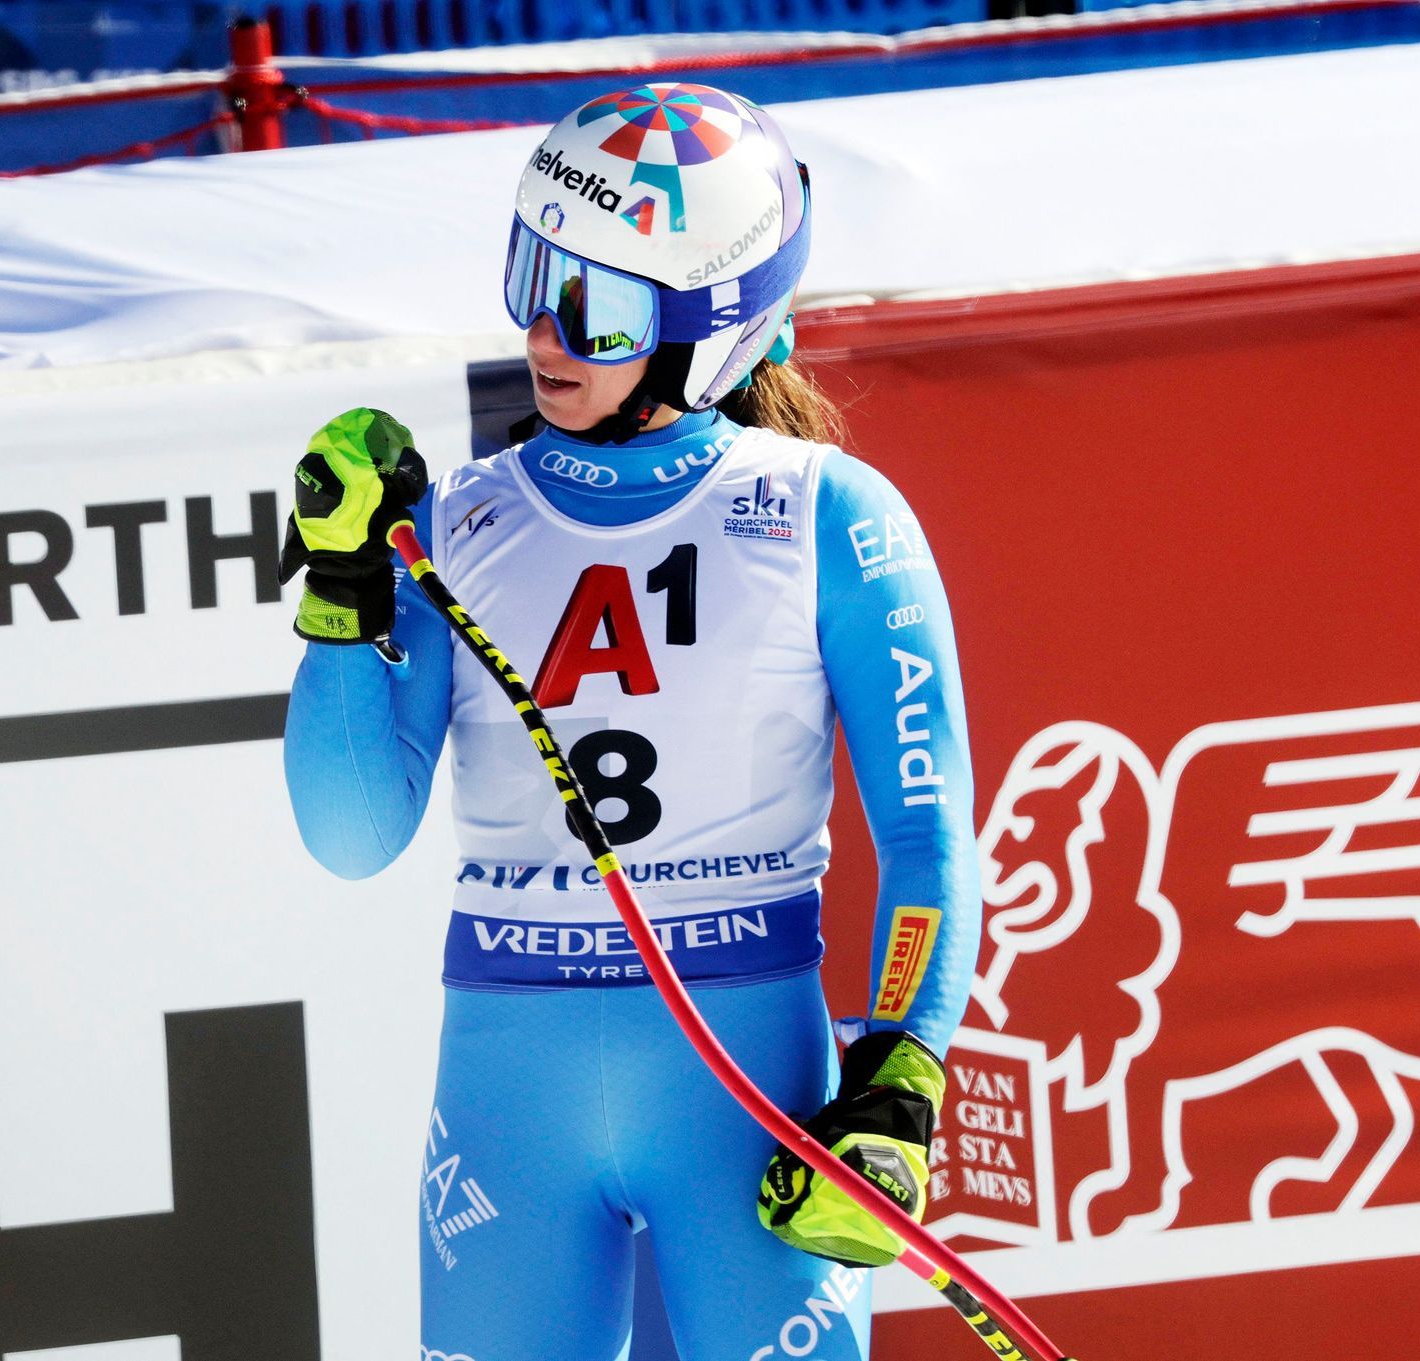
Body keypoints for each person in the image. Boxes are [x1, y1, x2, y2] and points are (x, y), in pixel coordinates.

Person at [281, 82, 979, 1361]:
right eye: (532, 271)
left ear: (707, 332)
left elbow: (928, 843)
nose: (545, 332)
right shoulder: (462, 522)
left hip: (744, 1074)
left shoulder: (834, 516)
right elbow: (350, 832)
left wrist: (899, 1072)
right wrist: (342, 595)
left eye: (596, 308)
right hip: (510, 1079)